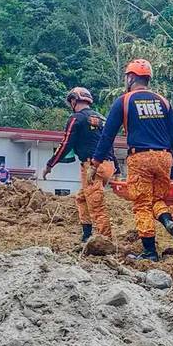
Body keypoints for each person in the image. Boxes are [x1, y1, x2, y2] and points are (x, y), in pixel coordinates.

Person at [90, 58, 173, 261]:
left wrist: (96, 162)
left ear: (131, 77)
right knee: (157, 198)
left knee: (141, 203)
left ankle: (150, 252)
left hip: (140, 157)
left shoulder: (124, 101)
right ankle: (167, 220)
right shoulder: (164, 102)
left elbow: (107, 135)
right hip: (164, 157)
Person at [43, 87, 119, 242]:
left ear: (73, 101)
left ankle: (106, 241)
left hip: (92, 167)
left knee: (96, 205)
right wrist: (116, 166)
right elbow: (109, 143)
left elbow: (66, 144)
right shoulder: (102, 119)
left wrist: (50, 164)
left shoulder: (76, 118)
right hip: (108, 165)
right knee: (82, 198)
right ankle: (86, 234)